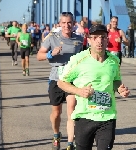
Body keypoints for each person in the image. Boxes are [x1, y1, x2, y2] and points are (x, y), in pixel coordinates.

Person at [57, 24, 130, 150]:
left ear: (107, 39)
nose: (99, 41)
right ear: (89, 40)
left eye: (103, 37)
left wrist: (119, 88)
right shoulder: (78, 60)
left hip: (107, 116)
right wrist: (79, 91)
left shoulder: (114, 61)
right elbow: (61, 82)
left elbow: (116, 80)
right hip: (85, 117)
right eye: (95, 37)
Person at [37, 12, 83, 150]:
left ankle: (70, 143)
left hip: (72, 80)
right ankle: (56, 134)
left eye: (69, 22)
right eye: (63, 23)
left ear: (73, 23)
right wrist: (50, 54)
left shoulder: (79, 40)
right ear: (59, 24)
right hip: (56, 79)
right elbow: (39, 55)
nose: (66, 25)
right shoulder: (52, 38)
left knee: (72, 111)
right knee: (56, 113)